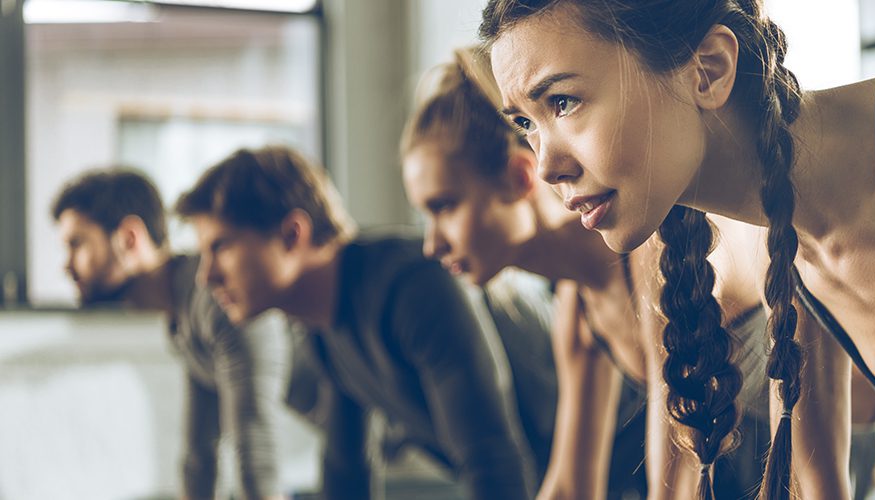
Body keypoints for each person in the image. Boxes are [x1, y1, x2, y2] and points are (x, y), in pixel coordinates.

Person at [480, 0, 875, 498]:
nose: (546, 167)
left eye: (563, 102)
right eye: (525, 123)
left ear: (708, 69)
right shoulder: (779, 240)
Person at [400, 46, 770, 499]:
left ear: (520, 178)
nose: (431, 243)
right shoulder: (578, 305)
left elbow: (674, 485)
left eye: (445, 207)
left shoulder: (658, 251)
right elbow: (570, 486)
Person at [175, 145, 555, 500]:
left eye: (221, 247)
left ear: (293, 235)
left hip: (605, 470)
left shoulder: (411, 287)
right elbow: (347, 474)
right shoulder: (321, 331)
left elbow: (493, 462)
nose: (205, 276)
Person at [51, 169, 301, 500]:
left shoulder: (215, 297)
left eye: (76, 244)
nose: (66, 266)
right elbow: (199, 458)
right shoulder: (181, 317)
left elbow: (256, 453)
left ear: (129, 238)